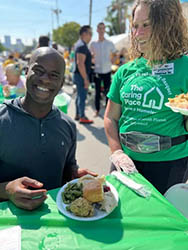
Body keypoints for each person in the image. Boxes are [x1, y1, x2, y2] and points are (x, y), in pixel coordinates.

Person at [104, 0, 188, 195]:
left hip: (170, 165)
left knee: (163, 222)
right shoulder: (125, 71)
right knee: (122, 216)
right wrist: (116, 152)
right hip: (126, 162)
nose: (138, 33)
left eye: (146, 25)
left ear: (166, 24)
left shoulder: (185, 67)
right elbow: (110, 117)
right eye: (135, 26)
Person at [0, 47, 97, 210]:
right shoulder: (2, 119)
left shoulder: (68, 125)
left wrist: (75, 174)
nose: (45, 79)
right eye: (39, 71)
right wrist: (6, 190)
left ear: (61, 83)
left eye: (54, 75)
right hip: (9, 228)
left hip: (57, 224)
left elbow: (67, 169)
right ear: (26, 72)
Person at [90, 22, 116, 117]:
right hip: (97, 71)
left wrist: (113, 60)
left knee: (107, 91)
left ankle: (107, 111)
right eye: (99, 28)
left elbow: (115, 53)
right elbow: (90, 56)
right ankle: (97, 110)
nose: (101, 30)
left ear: (105, 30)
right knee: (97, 92)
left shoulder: (109, 43)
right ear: (97, 30)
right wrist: (92, 60)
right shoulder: (93, 44)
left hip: (107, 71)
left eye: (103, 28)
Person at [73, 25, 93, 124]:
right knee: (82, 96)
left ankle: (78, 114)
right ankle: (82, 116)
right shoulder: (82, 46)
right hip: (81, 75)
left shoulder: (79, 45)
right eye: (90, 33)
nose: (91, 36)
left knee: (79, 95)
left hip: (79, 74)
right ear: (84, 34)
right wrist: (86, 79)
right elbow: (80, 63)